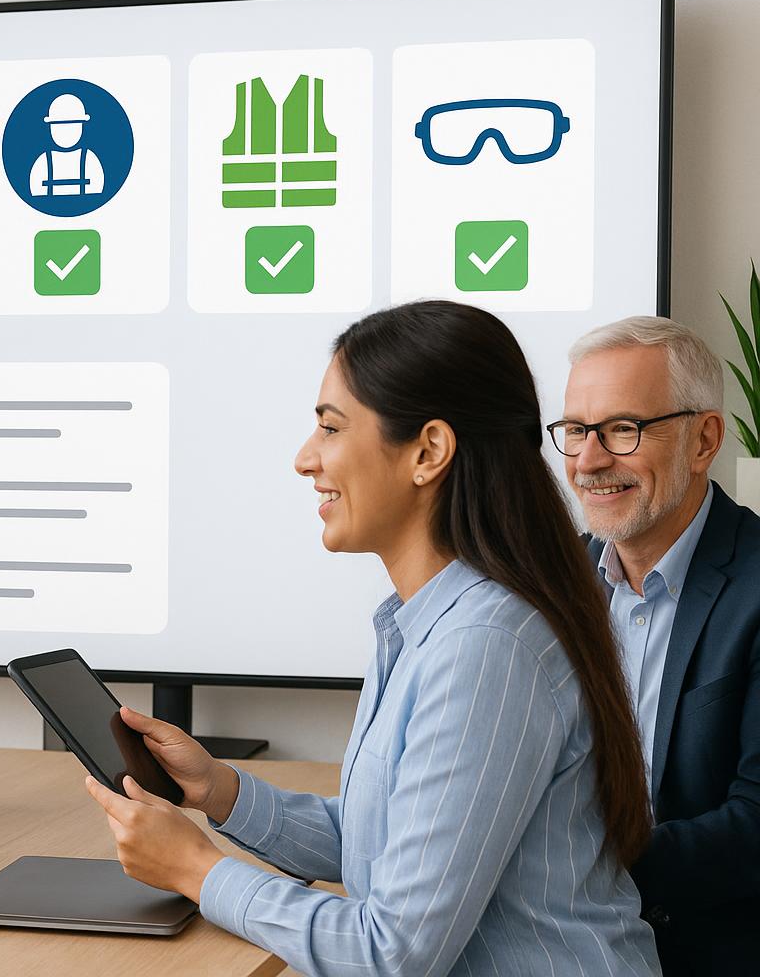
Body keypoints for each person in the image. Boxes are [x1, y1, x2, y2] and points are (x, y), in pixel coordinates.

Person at [85, 301, 659, 975]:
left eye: (330, 427)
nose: (305, 458)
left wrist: (196, 869)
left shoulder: (484, 646)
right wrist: (218, 790)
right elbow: (380, 844)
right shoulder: (425, 623)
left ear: (428, 452)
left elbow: (392, 951)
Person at [556, 316, 760, 974]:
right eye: (576, 430)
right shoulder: (555, 587)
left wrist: (569, 869)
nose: (589, 461)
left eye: (623, 428)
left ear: (704, 440)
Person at [29, 93, 105, 198]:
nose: (66, 130)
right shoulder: (43, 161)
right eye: (60, 126)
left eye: (71, 126)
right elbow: (36, 192)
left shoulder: (89, 159)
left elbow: (97, 190)